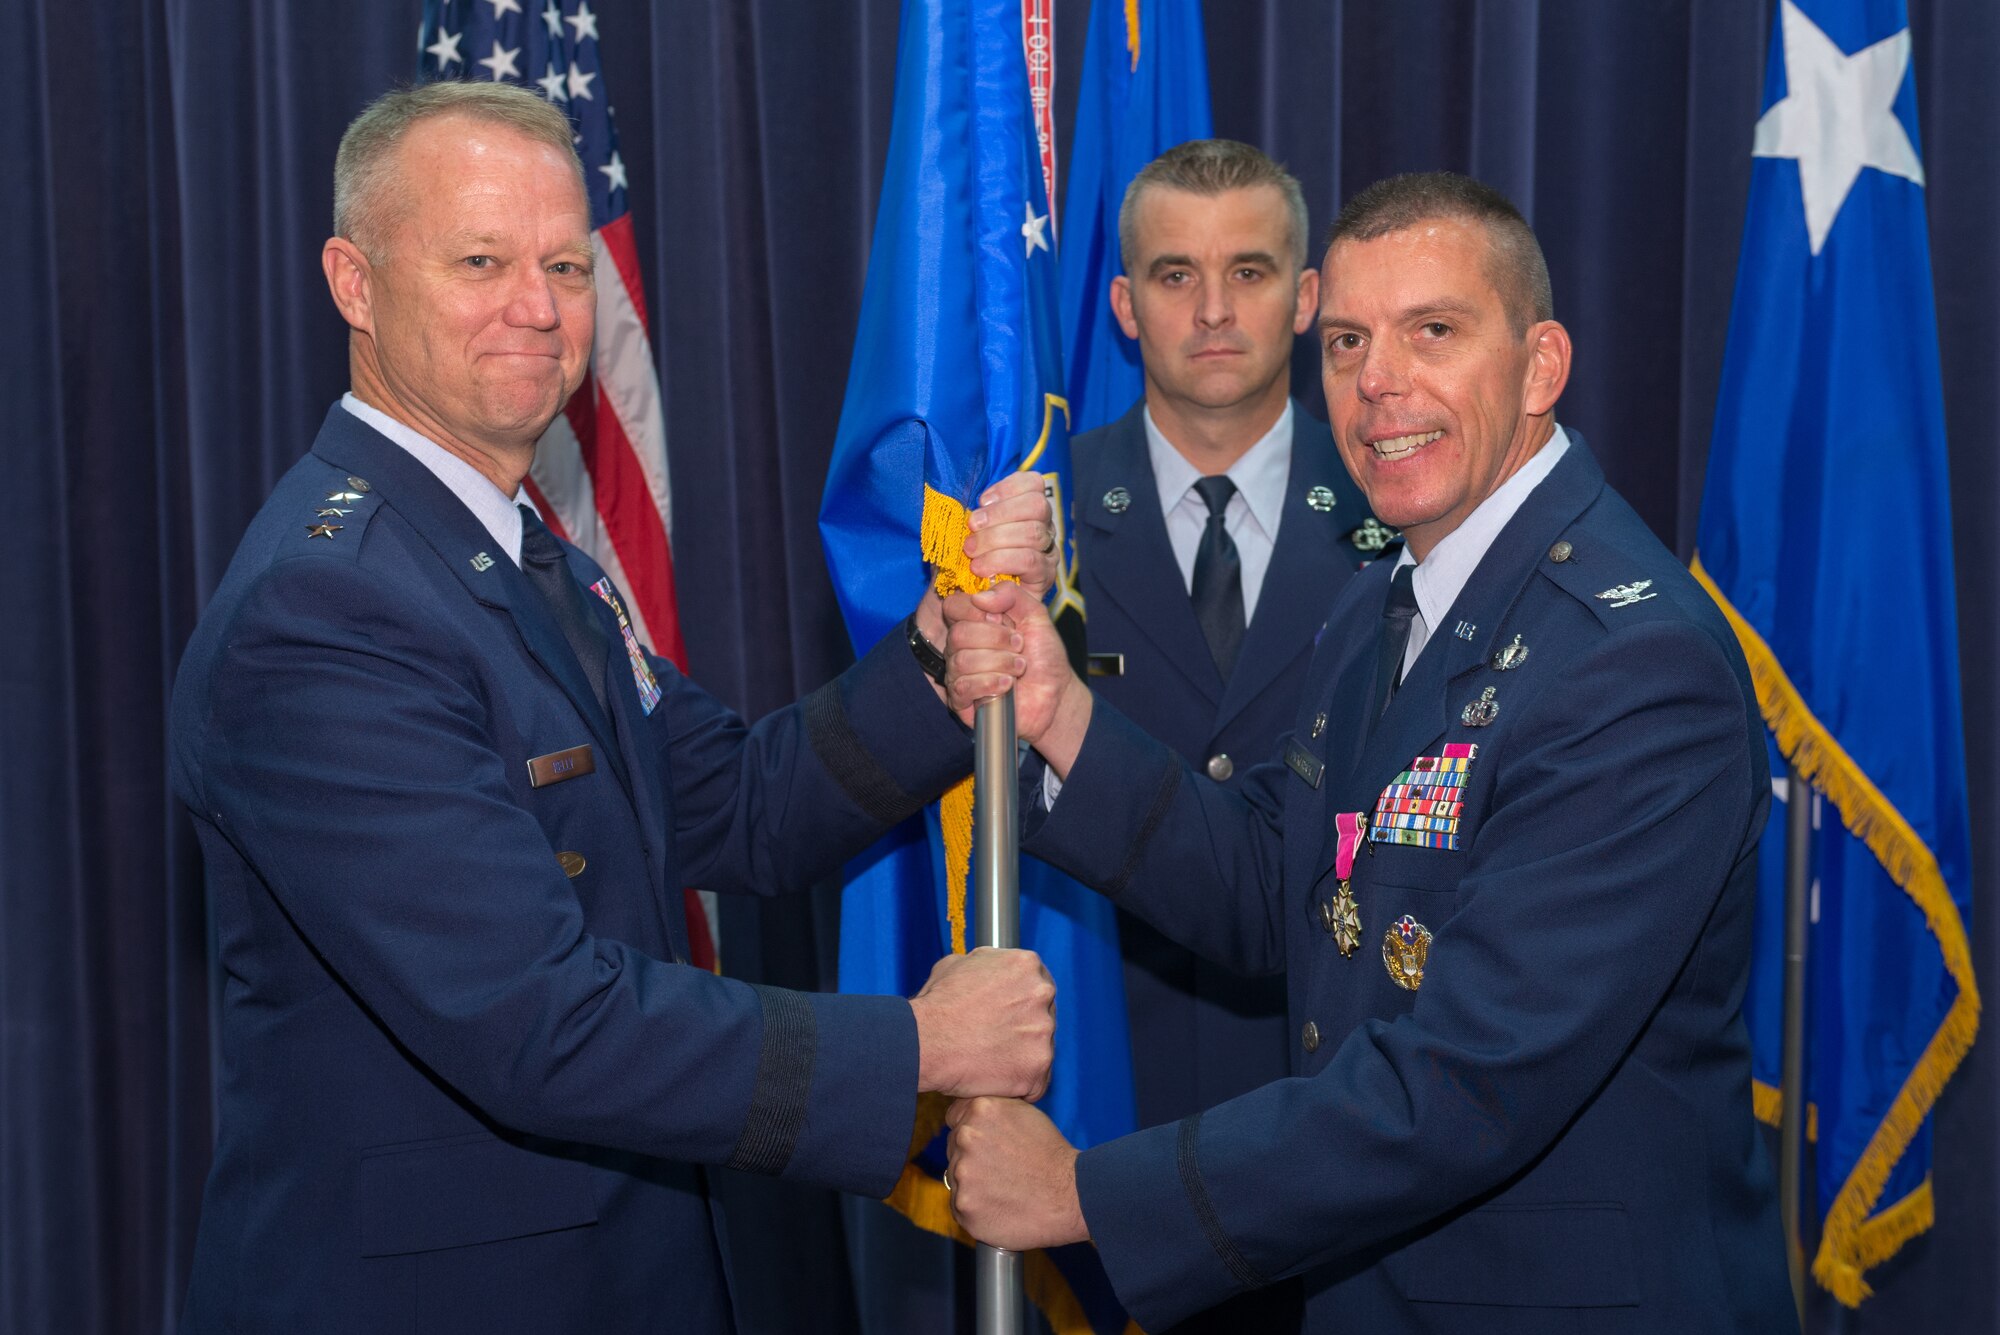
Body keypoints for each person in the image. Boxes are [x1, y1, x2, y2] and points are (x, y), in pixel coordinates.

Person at [168, 82, 1059, 1335]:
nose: (537, 308)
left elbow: (735, 805)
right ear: (353, 283)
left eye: (564, 264)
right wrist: (914, 1048)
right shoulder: (325, 611)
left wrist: (932, 654)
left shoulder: (530, 557)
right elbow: (541, 1020)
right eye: (480, 261)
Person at [940, 172, 1793, 1333]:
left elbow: (1466, 1076)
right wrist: (1059, 718)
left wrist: (1086, 1194)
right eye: (1344, 341)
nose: (1377, 382)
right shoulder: (1382, 599)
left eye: (1430, 331)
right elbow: (1281, 886)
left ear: (1539, 366)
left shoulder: (1631, 664)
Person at [1071, 138, 1385, 1333]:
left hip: (1330, 1125)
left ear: (1306, 299)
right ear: (1121, 304)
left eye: (1249, 271)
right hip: (1098, 1105)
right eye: (1172, 274)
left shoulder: (1402, 519)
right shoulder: (1022, 528)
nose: (1211, 310)